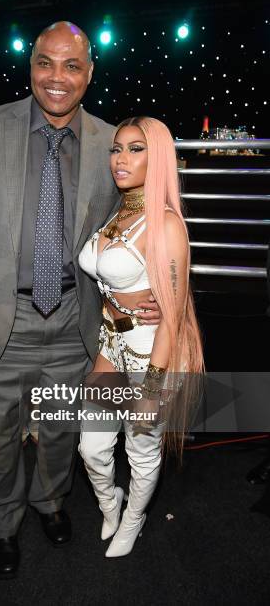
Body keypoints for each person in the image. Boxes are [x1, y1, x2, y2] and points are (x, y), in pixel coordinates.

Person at [0, 21, 160, 578]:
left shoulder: (111, 141)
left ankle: (51, 503)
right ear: (30, 65)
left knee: (61, 428)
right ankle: (3, 523)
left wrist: (151, 293)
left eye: (71, 65)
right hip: (0, 318)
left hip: (79, 319)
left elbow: (144, 219)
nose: (57, 77)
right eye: (45, 63)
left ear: (90, 73)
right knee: (0, 433)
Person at [78, 116, 204, 557]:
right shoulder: (118, 211)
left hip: (151, 351)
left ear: (159, 157)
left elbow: (171, 318)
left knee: (142, 449)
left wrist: (152, 388)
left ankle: (134, 519)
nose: (121, 159)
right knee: (91, 446)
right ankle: (110, 502)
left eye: (135, 149)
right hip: (111, 344)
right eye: (116, 149)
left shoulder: (165, 225)